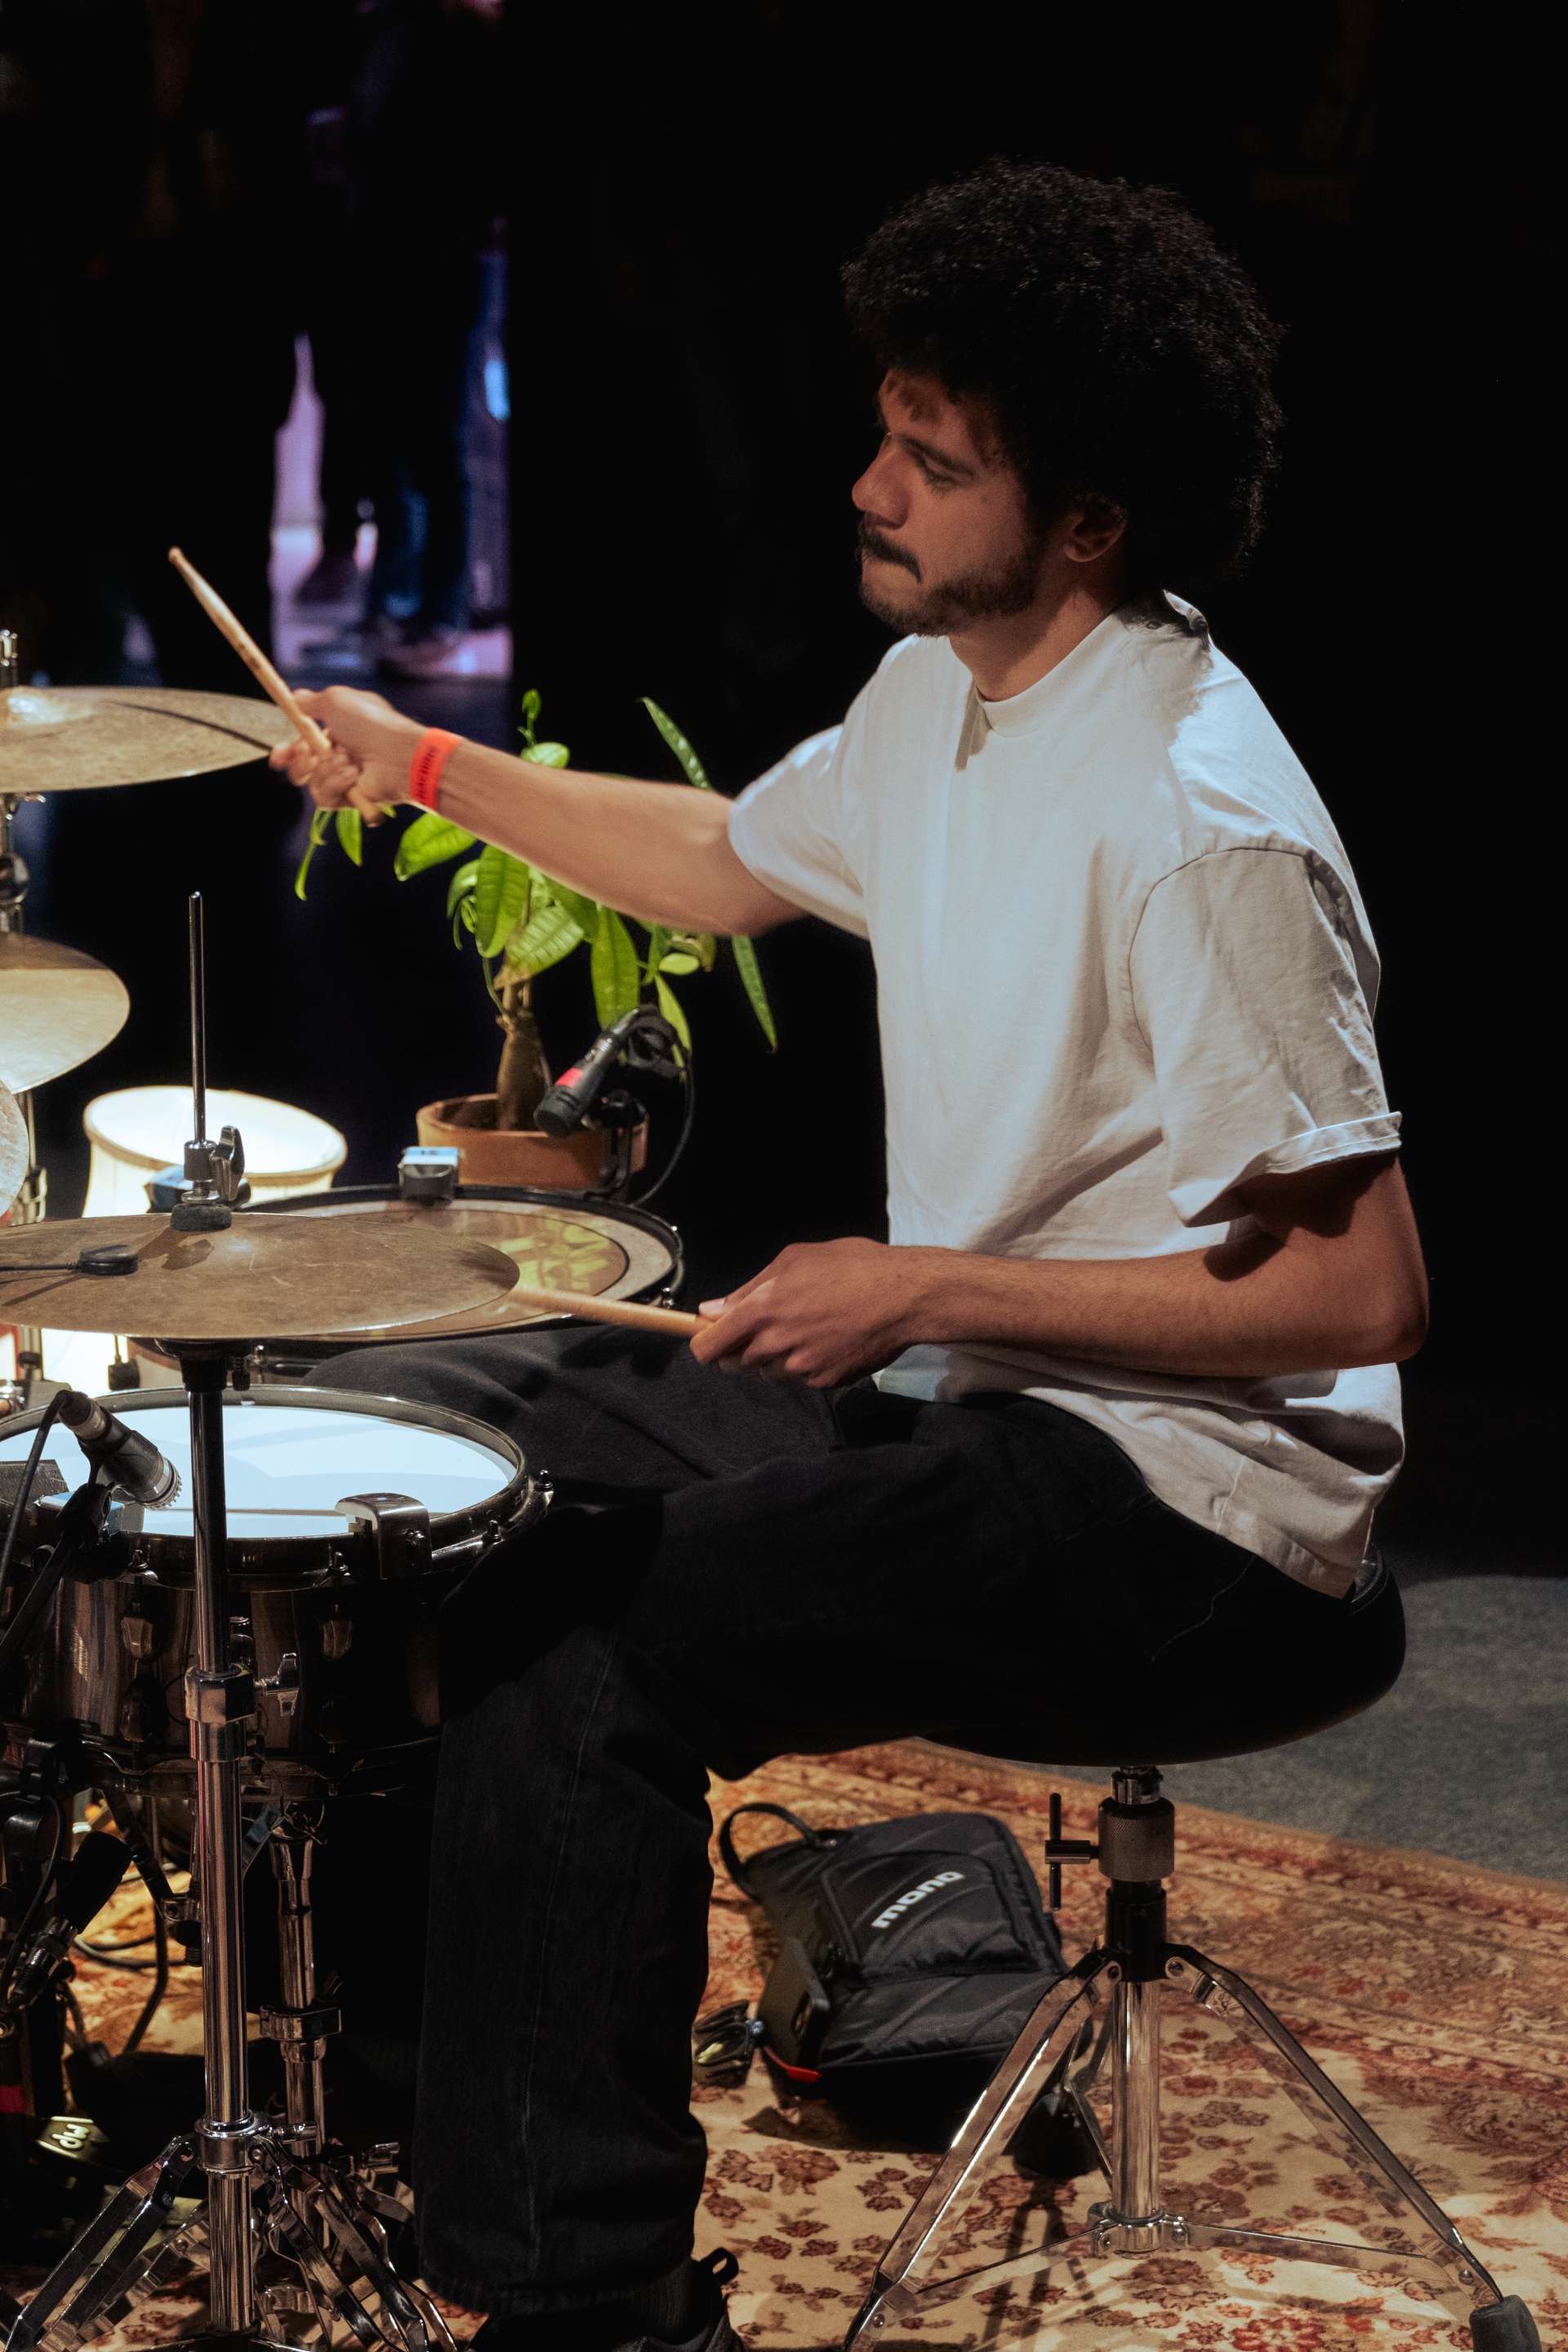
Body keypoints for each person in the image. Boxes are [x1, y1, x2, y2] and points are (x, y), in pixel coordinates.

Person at [270, 160, 1428, 2352]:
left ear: (1087, 520)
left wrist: (920, 1288)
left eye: (934, 457)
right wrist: (415, 758)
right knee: (446, 1483)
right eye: (884, 428)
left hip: (1200, 1510)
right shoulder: (945, 696)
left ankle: (592, 2308)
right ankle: (420, 2144)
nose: (870, 484)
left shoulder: (1200, 819)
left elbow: (1362, 1301)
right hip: (1004, 1411)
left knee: (592, 1651)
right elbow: (727, 858)